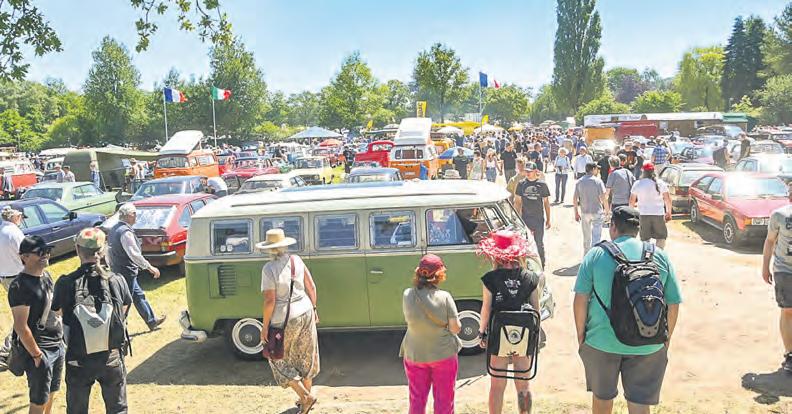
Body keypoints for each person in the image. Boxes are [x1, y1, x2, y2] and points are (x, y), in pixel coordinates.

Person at [573, 206, 681, 414]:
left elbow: (580, 300)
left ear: (613, 227)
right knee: (640, 404)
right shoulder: (659, 256)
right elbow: (673, 303)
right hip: (649, 342)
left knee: (602, 399)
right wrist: (666, 339)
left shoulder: (596, 255)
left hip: (601, 342)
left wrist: (581, 336)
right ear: (637, 230)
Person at [53, 227, 132, 414]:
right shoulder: (116, 280)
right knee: (118, 408)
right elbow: (124, 309)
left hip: (78, 357)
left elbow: (57, 313)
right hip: (111, 354)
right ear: (102, 250)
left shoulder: (65, 283)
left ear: (78, 250)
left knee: (77, 409)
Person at [477, 230, 542, 414]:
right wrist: (536, 336)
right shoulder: (531, 277)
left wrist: (481, 332)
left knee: (497, 385)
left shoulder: (490, 279)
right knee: (524, 384)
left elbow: (486, 309)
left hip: (499, 334)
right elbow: (536, 310)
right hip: (524, 333)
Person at [258, 229, 320, 414]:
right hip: (306, 311)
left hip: (285, 319)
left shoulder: (269, 269)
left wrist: (265, 327)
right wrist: (314, 309)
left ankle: (305, 397)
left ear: (269, 249)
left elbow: (270, 301)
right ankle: (305, 400)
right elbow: (312, 287)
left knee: (275, 357)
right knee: (306, 356)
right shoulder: (296, 260)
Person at [8, 236, 64, 414]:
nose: (45, 255)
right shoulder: (19, 286)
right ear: (24, 257)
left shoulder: (46, 276)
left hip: (57, 344)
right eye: (40, 252)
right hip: (40, 350)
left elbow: (54, 308)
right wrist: (37, 355)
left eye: (47, 251)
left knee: (52, 391)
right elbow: (21, 326)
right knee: (38, 400)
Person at [400, 254, 461, 414]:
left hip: (414, 354)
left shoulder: (407, 294)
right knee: (444, 401)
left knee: (417, 400)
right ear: (439, 275)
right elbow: (455, 328)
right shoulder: (445, 297)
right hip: (443, 355)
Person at [106, 203, 166, 331]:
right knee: (125, 302)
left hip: (118, 269)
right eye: (134, 214)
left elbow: (108, 251)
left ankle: (152, 321)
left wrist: (110, 265)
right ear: (129, 215)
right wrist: (149, 267)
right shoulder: (125, 232)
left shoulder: (113, 229)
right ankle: (117, 329)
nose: (136, 216)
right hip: (126, 271)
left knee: (138, 296)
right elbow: (134, 254)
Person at [762, 183, 792, 372]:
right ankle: (790, 354)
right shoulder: (779, 215)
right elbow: (770, 241)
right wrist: (765, 267)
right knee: (788, 311)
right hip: (785, 270)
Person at [0, 206, 26, 370]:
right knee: (24, 315)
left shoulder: (2, 231)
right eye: (21, 216)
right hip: (19, 278)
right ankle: (5, 351)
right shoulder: (15, 233)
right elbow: (26, 255)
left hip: (6, 277)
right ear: (16, 216)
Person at [514, 162, 551, 267]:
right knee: (525, 243)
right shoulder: (521, 184)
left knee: (539, 242)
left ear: (535, 171)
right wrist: (517, 218)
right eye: (526, 171)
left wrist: (548, 219)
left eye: (530, 171)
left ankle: (541, 264)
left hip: (538, 219)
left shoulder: (542, 185)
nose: (528, 173)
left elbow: (546, 203)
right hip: (525, 218)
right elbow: (517, 202)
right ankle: (526, 264)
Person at [629, 163, 672, 249]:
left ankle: (646, 254)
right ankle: (659, 253)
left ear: (643, 172)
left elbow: (631, 201)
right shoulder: (660, 183)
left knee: (645, 239)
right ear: (654, 171)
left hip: (643, 214)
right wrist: (668, 212)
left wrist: (631, 213)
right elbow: (668, 199)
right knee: (661, 237)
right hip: (658, 214)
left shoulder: (638, 184)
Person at [574, 163, 607, 255]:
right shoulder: (598, 181)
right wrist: (607, 211)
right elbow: (604, 198)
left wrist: (576, 212)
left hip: (584, 212)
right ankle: (594, 255)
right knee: (596, 236)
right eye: (596, 169)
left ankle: (586, 255)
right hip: (597, 211)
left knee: (586, 236)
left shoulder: (579, 181)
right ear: (593, 169)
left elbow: (575, 198)